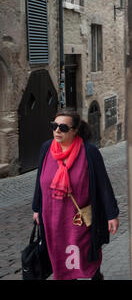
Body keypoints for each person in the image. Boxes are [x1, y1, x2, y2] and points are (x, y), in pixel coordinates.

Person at [32, 110, 119, 280]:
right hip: (52, 218)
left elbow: (103, 184)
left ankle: (95, 276)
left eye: (63, 127)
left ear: (75, 130)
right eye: (54, 126)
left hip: (79, 220)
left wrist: (111, 215)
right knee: (60, 257)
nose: (57, 130)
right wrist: (36, 208)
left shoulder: (89, 152)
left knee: (85, 255)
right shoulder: (46, 148)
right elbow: (39, 181)